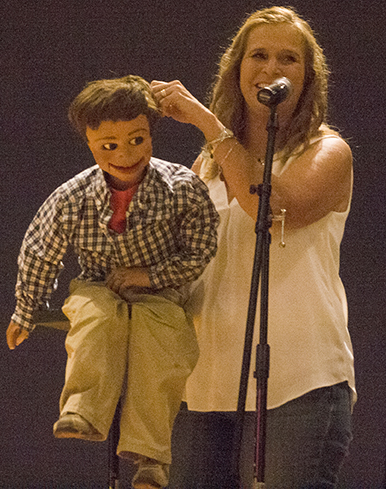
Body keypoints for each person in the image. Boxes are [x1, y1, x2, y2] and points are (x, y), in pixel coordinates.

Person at [151, 6, 355, 489]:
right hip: (204, 386)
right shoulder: (207, 164)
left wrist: (207, 122)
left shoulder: (327, 152)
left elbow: (269, 207)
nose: (271, 68)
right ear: (236, 69)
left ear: (308, 79)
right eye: (258, 55)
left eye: (289, 58)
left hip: (299, 387)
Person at [6, 75, 219, 489]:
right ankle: (84, 409)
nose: (125, 154)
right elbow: (40, 249)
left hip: (160, 291)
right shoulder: (74, 196)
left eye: (137, 140)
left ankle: (152, 454)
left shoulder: (181, 188)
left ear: (151, 135)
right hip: (97, 284)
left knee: (163, 342)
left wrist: (151, 276)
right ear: (90, 143)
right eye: (110, 146)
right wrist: (26, 309)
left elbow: (200, 248)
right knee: (96, 319)